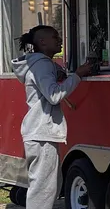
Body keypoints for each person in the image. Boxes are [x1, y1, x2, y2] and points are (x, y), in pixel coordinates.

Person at [11, 25, 92, 209]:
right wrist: (77, 75)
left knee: (50, 186)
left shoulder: (39, 63)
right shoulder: (41, 64)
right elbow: (54, 95)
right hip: (42, 134)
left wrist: (64, 74)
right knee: (43, 191)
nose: (60, 39)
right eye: (55, 37)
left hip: (39, 133)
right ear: (42, 42)